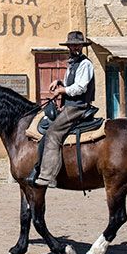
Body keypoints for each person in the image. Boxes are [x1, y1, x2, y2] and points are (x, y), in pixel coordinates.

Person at [27, 30, 95, 188]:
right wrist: (59, 82)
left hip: (78, 106)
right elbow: (71, 84)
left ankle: (48, 176)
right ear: (69, 46)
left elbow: (80, 88)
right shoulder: (72, 63)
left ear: (82, 46)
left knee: (53, 133)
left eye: (78, 45)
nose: (75, 48)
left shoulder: (85, 64)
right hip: (70, 105)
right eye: (72, 45)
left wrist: (61, 91)